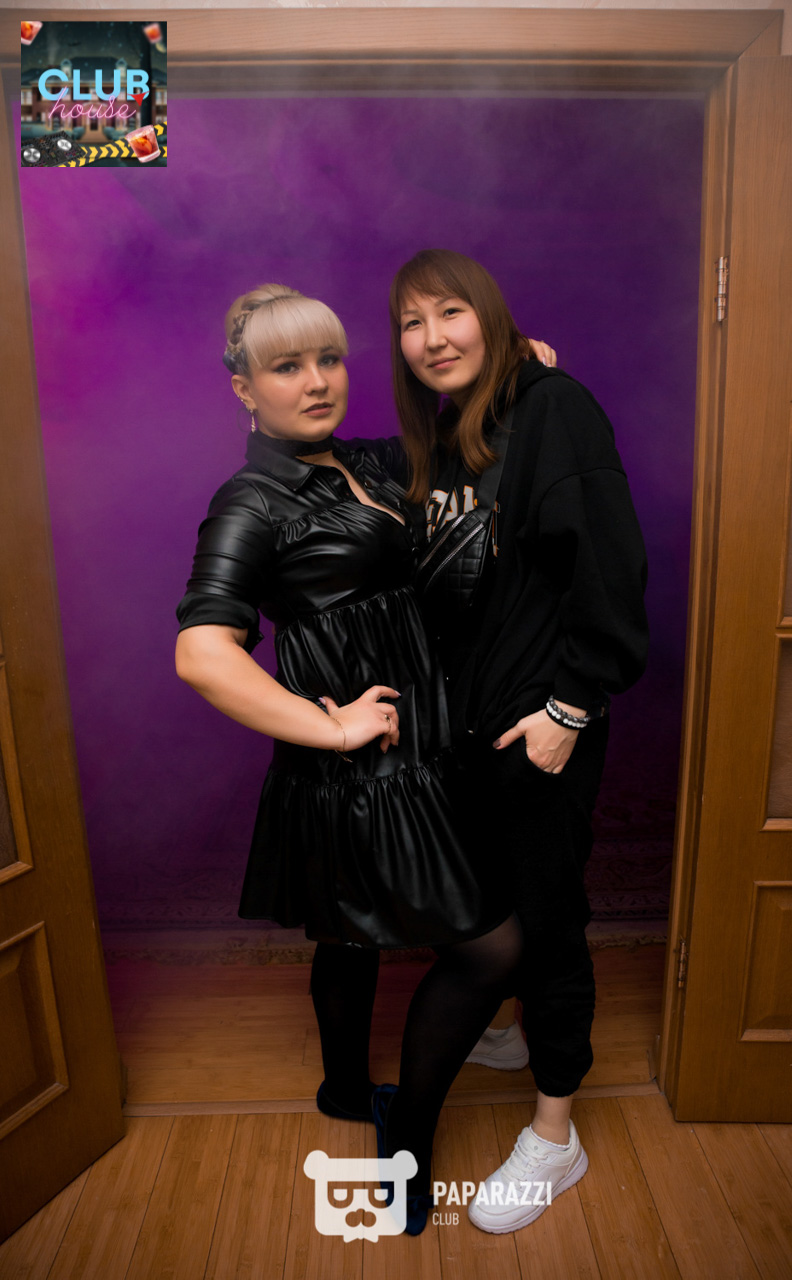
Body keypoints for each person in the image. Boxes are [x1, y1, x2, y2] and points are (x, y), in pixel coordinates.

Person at [174, 284, 523, 1236]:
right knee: (490, 949)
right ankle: (405, 1137)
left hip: (420, 740)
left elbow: (463, 439)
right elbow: (202, 652)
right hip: (364, 767)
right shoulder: (249, 501)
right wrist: (328, 730)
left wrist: (519, 364)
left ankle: (339, 1088)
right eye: (287, 367)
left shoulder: (365, 457)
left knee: (347, 931)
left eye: (328, 358)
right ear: (243, 388)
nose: (317, 381)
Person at [388, 249, 649, 1233]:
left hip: (542, 729)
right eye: (412, 323)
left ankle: (555, 1132)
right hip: (471, 730)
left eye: (451, 312)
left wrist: (569, 711)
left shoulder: (556, 409)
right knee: (487, 906)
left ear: (489, 314)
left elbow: (609, 568)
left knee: (547, 922)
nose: (432, 338)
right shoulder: (458, 432)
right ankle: (505, 1026)